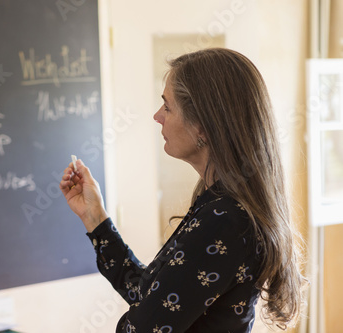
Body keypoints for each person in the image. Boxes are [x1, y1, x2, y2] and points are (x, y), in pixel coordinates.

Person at [60, 48, 305, 332]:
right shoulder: (217, 204)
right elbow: (151, 295)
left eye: (167, 107)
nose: (157, 116)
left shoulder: (225, 220)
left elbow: (142, 326)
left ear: (203, 126)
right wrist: (95, 217)